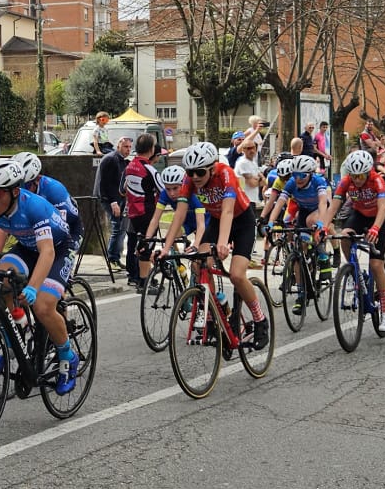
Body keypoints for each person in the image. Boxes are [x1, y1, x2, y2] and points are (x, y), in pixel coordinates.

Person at [0, 157, 81, 396]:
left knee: (43, 306)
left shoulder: (34, 206)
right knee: (1, 280)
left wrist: (32, 288)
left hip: (59, 247)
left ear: (14, 192)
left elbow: (47, 251)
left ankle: (67, 355)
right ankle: (17, 331)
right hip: (27, 247)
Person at [157, 141, 267, 346]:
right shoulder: (189, 181)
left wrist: (223, 243)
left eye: (200, 172)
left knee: (236, 274)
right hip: (217, 222)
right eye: (191, 173)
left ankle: (260, 320)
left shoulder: (225, 174)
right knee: (199, 263)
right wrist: (165, 248)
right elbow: (179, 215)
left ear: (212, 167)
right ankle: (217, 312)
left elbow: (227, 211)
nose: (195, 177)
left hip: (241, 221)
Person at [325, 148, 385, 333]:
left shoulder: (377, 180)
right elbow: (334, 205)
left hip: (377, 218)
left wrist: (376, 228)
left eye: (361, 176)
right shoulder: (346, 181)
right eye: (354, 176)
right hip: (359, 214)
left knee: (376, 265)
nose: (357, 179)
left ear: (368, 171)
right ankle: (354, 270)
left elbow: (382, 207)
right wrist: (324, 226)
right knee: (345, 235)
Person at [122, 134, 161, 290]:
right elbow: (164, 190)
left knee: (139, 245)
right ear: (151, 150)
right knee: (147, 246)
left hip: (133, 213)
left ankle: (140, 279)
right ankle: (145, 283)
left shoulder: (129, 167)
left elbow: (122, 190)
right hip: (148, 213)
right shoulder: (149, 169)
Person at [96, 135, 129, 274]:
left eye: (129, 147)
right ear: (118, 146)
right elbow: (106, 183)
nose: (128, 149)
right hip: (109, 198)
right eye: (125, 146)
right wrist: (113, 202)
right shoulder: (111, 159)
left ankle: (115, 257)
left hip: (118, 198)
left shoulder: (122, 161)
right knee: (117, 226)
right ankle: (112, 258)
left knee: (121, 227)